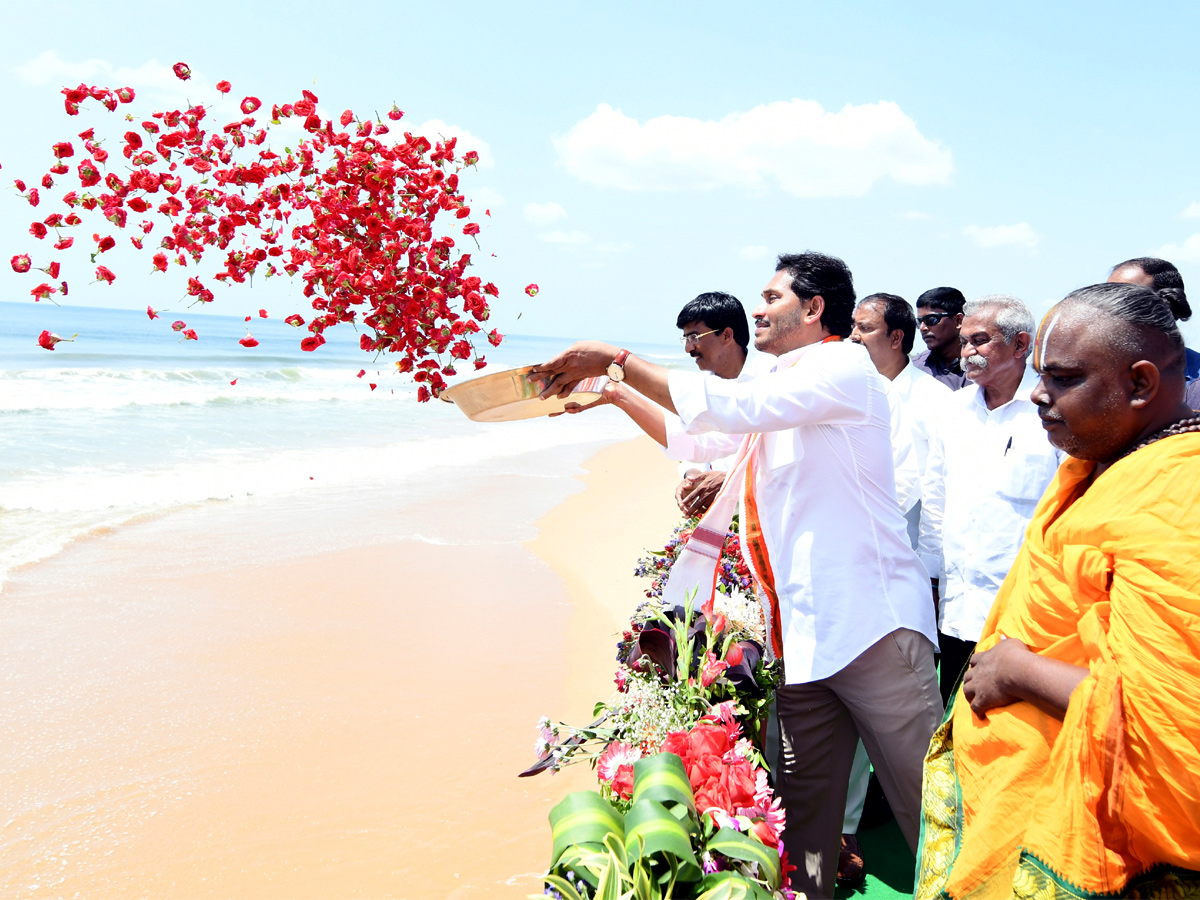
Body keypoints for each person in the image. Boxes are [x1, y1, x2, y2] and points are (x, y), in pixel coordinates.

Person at [533, 252, 941, 899]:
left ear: (813, 310)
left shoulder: (840, 369)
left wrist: (612, 357)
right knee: (807, 820)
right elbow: (696, 441)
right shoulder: (784, 390)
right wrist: (614, 393)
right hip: (803, 639)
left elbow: (726, 408)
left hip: (873, 628)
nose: (758, 309)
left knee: (932, 809)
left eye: (772, 296)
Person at [914, 281, 1200, 899]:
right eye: (1041, 374)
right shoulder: (1104, 460)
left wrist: (1016, 672)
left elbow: (1168, 725)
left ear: (1142, 384)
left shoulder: (1180, 495)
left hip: (1094, 854)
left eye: (1064, 378)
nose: (1039, 394)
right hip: (1019, 806)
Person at [840, 292, 950, 885]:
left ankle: (939, 853)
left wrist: (932, 577)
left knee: (904, 719)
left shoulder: (933, 401)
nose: (854, 340)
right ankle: (846, 825)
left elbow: (919, 489)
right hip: (853, 567)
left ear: (898, 337)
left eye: (865, 330)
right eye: (852, 329)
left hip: (905, 573)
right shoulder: (853, 388)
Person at [917, 296, 1062, 706]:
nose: (967, 352)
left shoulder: (1051, 410)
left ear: (1020, 345)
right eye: (964, 342)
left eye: (979, 341)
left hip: (1024, 612)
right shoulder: (953, 410)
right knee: (953, 722)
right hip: (956, 607)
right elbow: (935, 500)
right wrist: (929, 579)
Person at [673, 292, 752, 515]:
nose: (688, 348)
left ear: (727, 335)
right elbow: (697, 445)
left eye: (695, 337)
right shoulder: (702, 387)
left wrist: (730, 481)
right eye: (686, 339)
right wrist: (692, 478)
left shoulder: (767, 384)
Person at [1107, 256, 1200, 409]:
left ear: (1167, 305)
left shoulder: (1196, 386)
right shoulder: (1090, 379)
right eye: (1106, 296)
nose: (1110, 308)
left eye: (1126, 298)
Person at [912, 287, 969, 390]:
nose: (922, 328)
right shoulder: (915, 369)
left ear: (958, 321)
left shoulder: (983, 366)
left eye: (931, 319)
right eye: (919, 322)